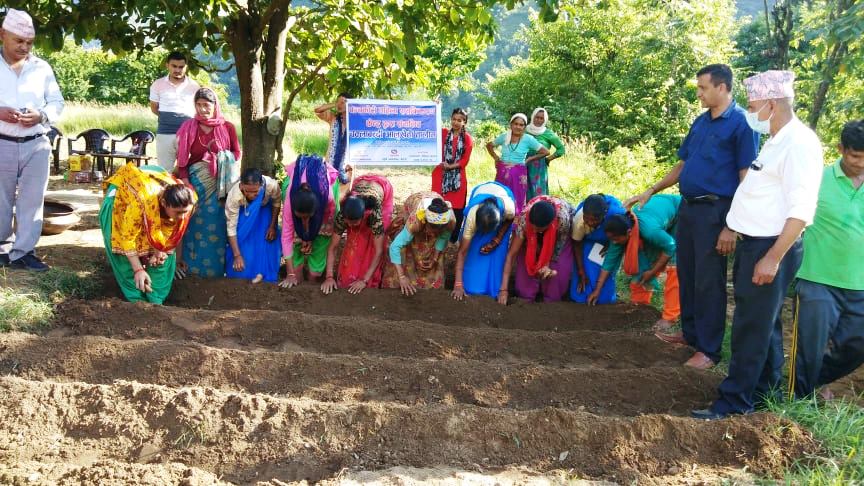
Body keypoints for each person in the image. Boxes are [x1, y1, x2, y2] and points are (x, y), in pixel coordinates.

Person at [692, 70, 823, 420]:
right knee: (764, 325)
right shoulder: (778, 139)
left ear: (771, 103)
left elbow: (801, 210)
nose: (750, 111)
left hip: (769, 248)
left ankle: (734, 403)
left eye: (752, 105)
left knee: (750, 327)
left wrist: (773, 258)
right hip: (756, 245)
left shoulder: (800, 144)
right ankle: (765, 391)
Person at [626, 64, 759, 370]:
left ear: (722, 88)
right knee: (686, 272)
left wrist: (731, 226)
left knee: (709, 281)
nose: (698, 93)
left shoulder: (742, 124)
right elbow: (682, 166)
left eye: (703, 88)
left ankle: (709, 351)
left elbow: (745, 179)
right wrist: (651, 190)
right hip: (689, 208)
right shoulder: (701, 122)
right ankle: (690, 334)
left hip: (716, 212)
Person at [787, 119, 864, 400]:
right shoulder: (816, 180)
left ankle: (814, 381)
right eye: (856, 156)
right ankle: (798, 404)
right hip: (816, 277)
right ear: (841, 149)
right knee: (808, 346)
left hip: (860, 283)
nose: (862, 163)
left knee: (856, 346)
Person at [0, 9, 64, 272]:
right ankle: (2, 249)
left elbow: (57, 102)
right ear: (2, 35)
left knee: (32, 200)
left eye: (29, 42)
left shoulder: (42, 68)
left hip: (36, 143)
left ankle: (23, 253)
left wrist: (42, 115)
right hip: (1, 141)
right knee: (0, 199)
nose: (24, 47)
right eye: (19, 41)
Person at [100, 164, 196, 304]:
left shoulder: (187, 201)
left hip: (154, 186)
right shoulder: (141, 201)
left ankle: (156, 301)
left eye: (185, 212)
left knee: (163, 258)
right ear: (163, 203)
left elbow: (167, 234)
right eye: (178, 213)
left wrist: (158, 251)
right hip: (121, 202)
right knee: (122, 256)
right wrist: (138, 269)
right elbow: (127, 238)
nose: (182, 217)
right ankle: (137, 303)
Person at [174, 87, 241, 278]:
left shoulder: (227, 127)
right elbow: (183, 160)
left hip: (219, 187)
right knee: (191, 223)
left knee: (218, 225)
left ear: (215, 105)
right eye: (199, 105)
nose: (203, 109)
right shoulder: (189, 127)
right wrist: (186, 183)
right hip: (195, 184)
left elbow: (236, 153)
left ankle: (215, 273)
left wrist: (222, 158)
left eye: (206, 105)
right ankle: (188, 268)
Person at [598, 195, 682, 329]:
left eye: (616, 239)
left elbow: (670, 246)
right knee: (642, 264)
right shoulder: (618, 233)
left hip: (680, 213)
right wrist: (597, 290)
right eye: (611, 239)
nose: (614, 242)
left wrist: (653, 271)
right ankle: (641, 306)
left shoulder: (649, 231)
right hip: (657, 220)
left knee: (674, 267)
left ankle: (670, 317)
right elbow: (609, 263)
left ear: (629, 232)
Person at [321, 174, 394, 294]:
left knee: (372, 245)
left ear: (363, 215)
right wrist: (329, 277)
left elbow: (378, 251)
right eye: (348, 222)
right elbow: (332, 248)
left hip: (383, 189)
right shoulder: (342, 215)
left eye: (354, 222)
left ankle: (372, 281)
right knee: (353, 241)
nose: (350, 225)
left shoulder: (374, 214)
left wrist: (364, 280)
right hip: (359, 187)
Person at [498, 195, 576, 304]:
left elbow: (557, 250)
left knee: (557, 271)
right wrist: (503, 290)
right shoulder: (524, 220)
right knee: (524, 281)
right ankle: (527, 297)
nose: (534, 230)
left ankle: (551, 301)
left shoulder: (562, 220)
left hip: (559, 237)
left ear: (549, 225)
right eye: (532, 226)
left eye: (538, 229)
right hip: (528, 235)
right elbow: (511, 255)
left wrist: (546, 265)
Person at [280, 154, 339, 288]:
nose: (304, 221)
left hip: (324, 182)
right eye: (300, 217)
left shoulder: (328, 198)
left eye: (308, 217)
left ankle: (313, 280)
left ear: (316, 211)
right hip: (296, 176)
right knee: (295, 269)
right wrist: (290, 274)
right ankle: (296, 271)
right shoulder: (290, 202)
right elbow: (286, 237)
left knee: (316, 272)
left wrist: (310, 237)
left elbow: (324, 219)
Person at [451, 181, 516, 301]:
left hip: (501, 211)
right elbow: (462, 253)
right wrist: (458, 284)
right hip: (481, 201)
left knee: (498, 256)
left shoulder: (509, 208)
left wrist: (497, 239)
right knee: (470, 286)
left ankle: (494, 288)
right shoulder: (472, 217)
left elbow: (510, 220)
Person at [383, 191, 455, 295]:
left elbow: (443, 238)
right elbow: (394, 247)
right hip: (414, 204)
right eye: (431, 230)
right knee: (407, 248)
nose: (434, 234)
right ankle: (401, 281)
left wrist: (434, 259)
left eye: (437, 232)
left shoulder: (450, 221)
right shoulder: (415, 221)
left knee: (434, 254)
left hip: (437, 205)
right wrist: (402, 276)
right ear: (425, 222)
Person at [224, 168, 282, 283]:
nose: (251, 195)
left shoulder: (271, 186)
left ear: (261, 186)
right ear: (241, 185)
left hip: (264, 210)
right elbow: (231, 228)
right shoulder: (234, 197)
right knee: (243, 241)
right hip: (244, 212)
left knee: (264, 241)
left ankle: (263, 272)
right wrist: (237, 256)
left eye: (255, 192)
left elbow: (276, 202)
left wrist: (272, 226)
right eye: (247, 191)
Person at [486, 114, 550, 213]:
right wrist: (496, 157)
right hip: (502, 174)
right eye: (515, 124)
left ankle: (514, 226)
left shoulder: (528, 139)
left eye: (521, 125)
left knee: (517, 200)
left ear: (524, 127)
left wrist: (529, 160)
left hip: (518, 175)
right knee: (499, 198)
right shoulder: (504, 137)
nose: (518, 127)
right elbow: (489, 145)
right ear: (511, 125)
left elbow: (545, 152)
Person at [570, 194, 626, 305]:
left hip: (610, 243)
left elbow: (623, 236)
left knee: (604, 298)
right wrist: (581, 271)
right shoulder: (579, 221)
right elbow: (577, 244)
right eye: (587, 218)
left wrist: (611, 242)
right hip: (587, 242)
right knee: (581, 292)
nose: (590, 223)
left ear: (604, 216)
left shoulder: (616, 216)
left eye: (595, 219)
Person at [149, 51, 200, 171]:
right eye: (174, 66)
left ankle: (186, 190)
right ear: (167, 65)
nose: (178, 70)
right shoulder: (157, 84)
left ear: (186, 67)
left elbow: (198, 110)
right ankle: (167, 190)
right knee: (164, 170)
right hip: (164, 133)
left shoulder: (194, 86)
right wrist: (169, 119)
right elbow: (154, 108)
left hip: (188, 135)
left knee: (186, 170)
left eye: (181, 67)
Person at [431, 108, 473, 243]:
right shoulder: (443, 133)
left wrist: (451, 166)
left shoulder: (467, 139)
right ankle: (436, 233)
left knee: (457, 208)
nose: (456, 122)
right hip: (440, 175)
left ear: (464, 122)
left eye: (459, 120)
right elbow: (430, 125)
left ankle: (453, 238)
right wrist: (435, 107)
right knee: (438, 204)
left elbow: (465, 161)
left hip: (458, 178)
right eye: (454, 119)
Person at [525, 107, 566, 199]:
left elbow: (561, 149)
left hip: (538, 168)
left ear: (545, 120)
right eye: (537, 117)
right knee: (523, 190)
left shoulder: (547, 133)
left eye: (541, 118)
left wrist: (548, 159)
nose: (538, 120)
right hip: (523, 164)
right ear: (532, 117)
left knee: (537, 193)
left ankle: (538, 211)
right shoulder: (524, 130)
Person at [315, 93, 352, 185]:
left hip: (346, 167)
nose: (340, 104)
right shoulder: (333, 118)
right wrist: (335, 104)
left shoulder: (355, 121)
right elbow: (318, 110)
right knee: (328, 193)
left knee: (343, 196)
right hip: (329, 164)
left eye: (343, 102)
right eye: (338, 101)